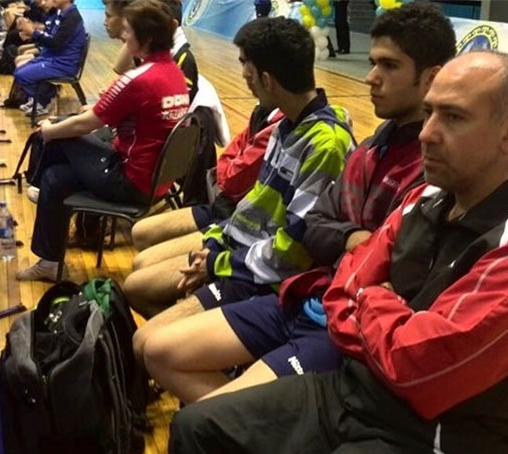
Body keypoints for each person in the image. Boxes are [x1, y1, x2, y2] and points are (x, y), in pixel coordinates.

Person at [167, 50, 508, 454]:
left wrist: (372, 302)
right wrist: (383, 310)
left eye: (454, 117)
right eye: (429, 112)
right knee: (197, 429)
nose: (428, 133)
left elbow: (418, 371)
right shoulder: (423, 199)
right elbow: (341, 290)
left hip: (441, 452)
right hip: (355, 393)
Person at [142, 3, 456, 403]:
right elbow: (316, 225)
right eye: (373, 63)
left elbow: (377, 259)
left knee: (197, 411)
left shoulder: (417, 169)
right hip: (303, 292)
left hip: (315, 303)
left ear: (431, 77)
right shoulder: (373, 144)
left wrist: (221, 261)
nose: (370, 77)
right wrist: (350, 237)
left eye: (389, 66)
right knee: (156, 347)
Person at [124, 17, 355, 328]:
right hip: (241, 248)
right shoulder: (286, 125)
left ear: (266, 79)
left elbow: (294, 249)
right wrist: (214, 246)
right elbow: (252, 205)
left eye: (246, 64)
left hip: (264, 276)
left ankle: (185, 337)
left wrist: (218, 263)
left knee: (146, 325)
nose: (243, 74)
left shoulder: (326, 145)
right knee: (138, 284)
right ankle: (188, 334)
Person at [16, 0, 190, 282]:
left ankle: (33, 182)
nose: (123, 36)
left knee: (58, 132)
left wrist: (48, 130)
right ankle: (48, 261)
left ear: (145, 39)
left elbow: (87, 123)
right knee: (55, 178)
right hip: (156, 180)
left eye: (128, 31)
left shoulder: (139, 79)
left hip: (129, 179)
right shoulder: (174, 73)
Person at [127, 103, 284, 272]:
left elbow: (231, 181)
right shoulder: (263, 111)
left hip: (236, 217)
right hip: (222, 204)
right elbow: (229, 155)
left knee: (141, 266)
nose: (250, 85)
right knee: (140, 233)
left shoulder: (279, 126)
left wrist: (228, 168)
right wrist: (228, 168)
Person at [13, 0, 86, 116]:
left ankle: (45, 100)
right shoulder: (63, 13)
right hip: (54, 58)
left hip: (63, 64)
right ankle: (43, 97)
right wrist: (34, 31)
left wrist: (33, 32)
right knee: (18, 71)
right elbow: (51, 37)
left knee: (22, 75)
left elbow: (55, 43)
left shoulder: (72, 17)